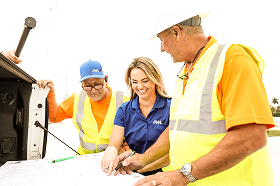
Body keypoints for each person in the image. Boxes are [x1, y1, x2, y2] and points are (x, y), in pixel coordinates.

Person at [115, 10, 275, 186]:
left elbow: (252, 136)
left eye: (161, 39)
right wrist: (143, 159)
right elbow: (177, 131)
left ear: (176, 32)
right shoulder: (185, 73)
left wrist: (182, 176)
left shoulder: (232, 59)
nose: (162, 48)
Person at [37, 60, 129, 155]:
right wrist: (50, 91)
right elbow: (54, 117)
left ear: (106, 80)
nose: (93, 91)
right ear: (82, 84)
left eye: (97, 84)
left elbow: (137, 131)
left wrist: (124, 150)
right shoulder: (77, 98)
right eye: (87, 86)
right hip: (84, 159)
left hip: (115, 158)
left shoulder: (124, 99)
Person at [101, 57, 171, 176]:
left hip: (167, 174)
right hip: (134, 174)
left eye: (145, 80)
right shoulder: (124, 110)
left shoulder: (172, 107)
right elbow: (114, 144)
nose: (140, 86)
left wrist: (142, 166)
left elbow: (176, 150)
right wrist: (111, 151)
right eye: (135, 82)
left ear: (155, 79)